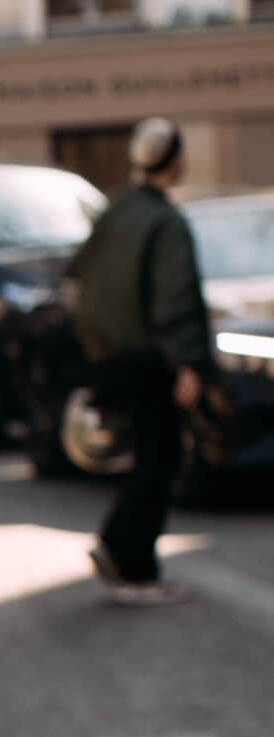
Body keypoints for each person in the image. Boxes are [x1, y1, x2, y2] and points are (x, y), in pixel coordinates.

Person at [69, 116, 211, 608]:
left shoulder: (117, 211)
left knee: (147, 458)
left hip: (109, 355)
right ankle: (133, 564)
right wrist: (189, 364)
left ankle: (120, 551)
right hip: (149, 358)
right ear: (175, 161)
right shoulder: (165, 222)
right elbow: (175, 301)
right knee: (160, 458)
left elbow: (79, 277)